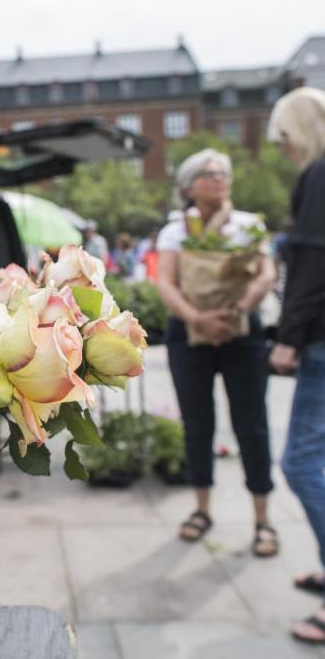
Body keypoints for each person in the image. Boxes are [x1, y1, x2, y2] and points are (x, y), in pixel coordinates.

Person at [156, 149, 278, 556]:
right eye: (209, 172)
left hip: (242, 332)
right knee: (197, 422)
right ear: (189, 185)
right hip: (189, 334)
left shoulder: (249, 226)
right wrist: (197, 319)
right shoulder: (175, 230)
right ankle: (201, 509)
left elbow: (266, 272)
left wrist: (241, 308)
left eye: (224, 172)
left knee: (252, 424)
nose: (219, 177)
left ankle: (263, 518)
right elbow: (167, 283)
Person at [267, 87, 325, 645]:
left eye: (285, 135)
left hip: (322, 341)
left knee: (302, 463)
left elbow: (311, 262)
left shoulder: (320, 173)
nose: (282, 147)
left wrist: (288, 339)